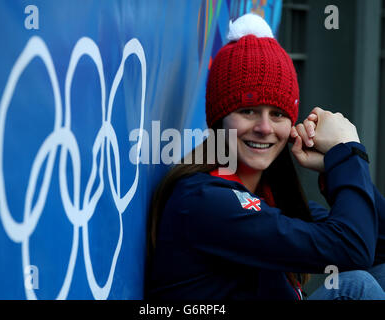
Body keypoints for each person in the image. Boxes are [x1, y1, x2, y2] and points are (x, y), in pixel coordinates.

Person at [145, 13, 385, 300]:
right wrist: (347, 154)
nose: (264, 128)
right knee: (356, 288)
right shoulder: (204, 199)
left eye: (278, 114)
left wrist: (331, 168)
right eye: (248, 111)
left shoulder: (266, 195)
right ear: (220, 119)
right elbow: (350, 250)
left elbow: (374, 243)